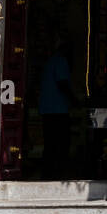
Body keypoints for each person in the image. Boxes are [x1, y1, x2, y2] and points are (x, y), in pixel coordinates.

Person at [38, 37, 74, 179]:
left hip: (48, 109)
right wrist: (74, 100)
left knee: (50, 143)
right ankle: (57, 174)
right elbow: (62, 83)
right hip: (58, 109)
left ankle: (48, 173)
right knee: (60, 143)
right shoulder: (60, 61)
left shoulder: (50, 61)